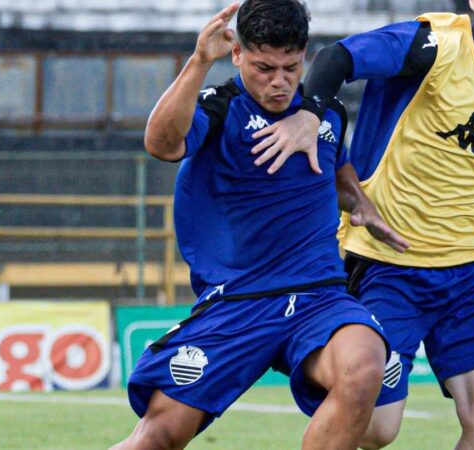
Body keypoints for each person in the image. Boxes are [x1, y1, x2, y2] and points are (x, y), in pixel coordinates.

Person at [249, 0, 474, 449]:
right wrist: (309, 114)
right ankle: (301, 345)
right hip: (384, 265)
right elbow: (337, 57)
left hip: (469, 274)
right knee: (376, 429)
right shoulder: (430, 45)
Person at [110, 2, 409, 449]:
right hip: (239, 301)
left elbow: (337, 173)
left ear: (304, 55)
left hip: (318, 296)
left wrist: (361, 204)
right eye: (264, 67)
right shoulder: (220, 109)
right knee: (159, 436)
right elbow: (161, 143)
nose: (279, 81)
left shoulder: (324, 115)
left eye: (290, 67)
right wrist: (199, 61)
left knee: (364, 365)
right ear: (238, 55)